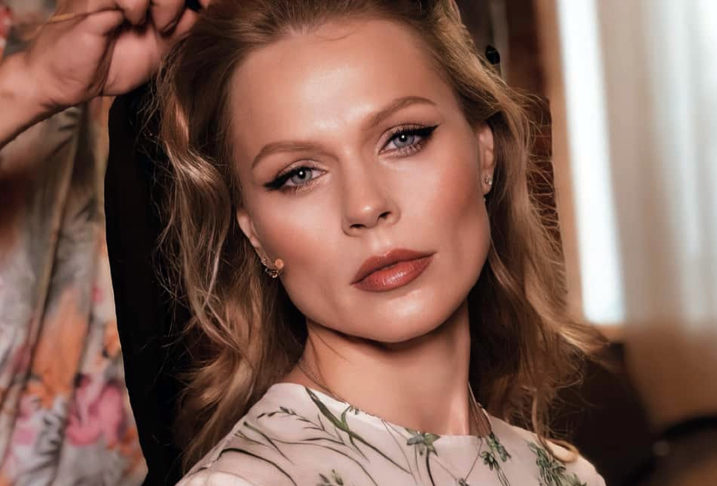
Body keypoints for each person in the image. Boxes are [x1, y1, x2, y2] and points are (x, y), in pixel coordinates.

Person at [0, 0, 607, 484]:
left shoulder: (565, 475)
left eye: (404, 137)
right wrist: (27, 83)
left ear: (484, 152)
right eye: (298, 174)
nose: (365, 206)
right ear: (253, 230)